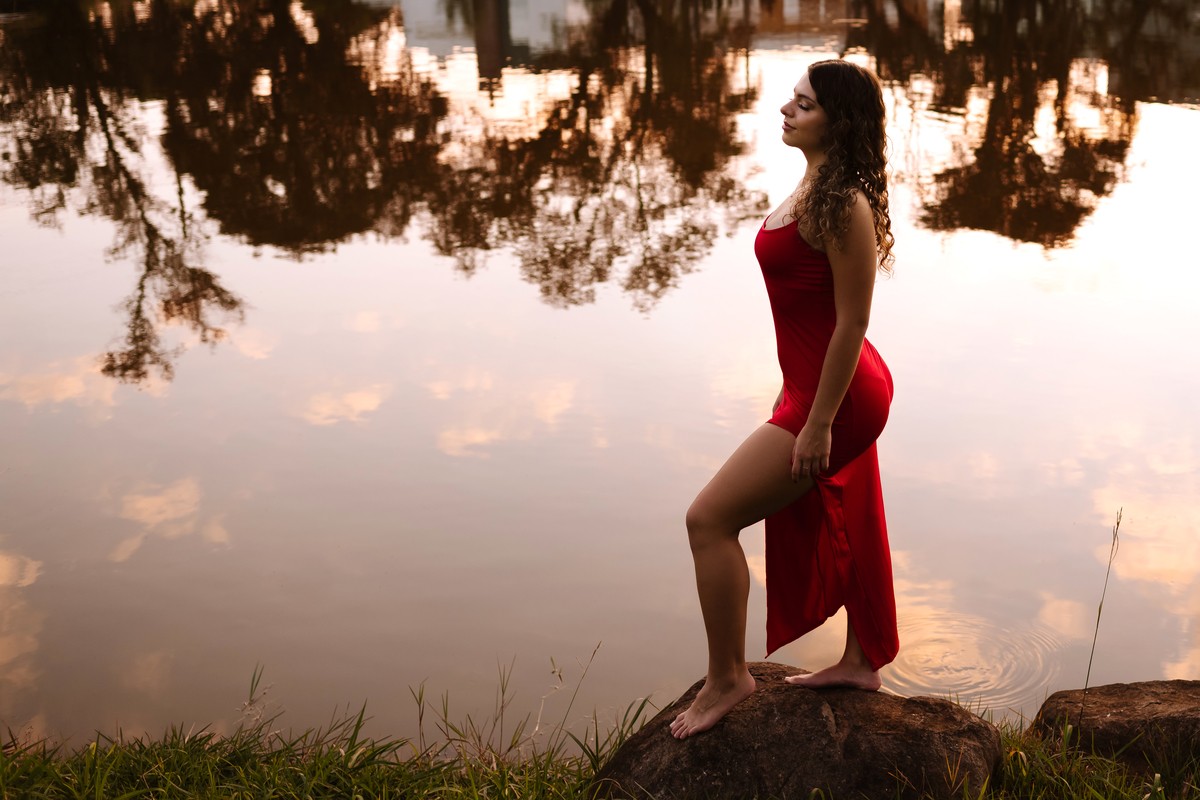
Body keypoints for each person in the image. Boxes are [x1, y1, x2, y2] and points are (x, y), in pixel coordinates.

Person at [670, 60, 899, 740]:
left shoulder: (845, 203)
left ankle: (726, 679)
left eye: (804, 103)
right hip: (811, 384)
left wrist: (820, 419)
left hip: (841, 391)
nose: (786, 108)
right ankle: (860, 660)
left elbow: (852, 322)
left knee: (707, 520)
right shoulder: (816, 186)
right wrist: (799, 395)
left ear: (840, 120)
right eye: (792, 98)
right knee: (850, 507)